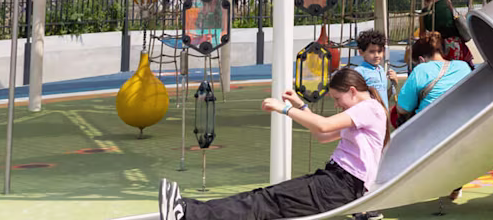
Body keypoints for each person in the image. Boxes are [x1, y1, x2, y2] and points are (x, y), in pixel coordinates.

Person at [161, 67, 387, 220]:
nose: (337, 105)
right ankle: (189, 209)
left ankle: (187, 213)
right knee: (263, 198)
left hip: (341, 185)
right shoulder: (362, 112)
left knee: (263, 202)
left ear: (353, 91)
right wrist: (301, 108)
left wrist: (285, 109)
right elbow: (323, 136)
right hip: (334, 181)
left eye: (337, 99)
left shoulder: (369, 109)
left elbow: (324, 126)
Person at [395, 31, 472, 211]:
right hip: (463, 127)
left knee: (397, 117)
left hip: (429, 132)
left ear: (421, 58)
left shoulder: (421, 70)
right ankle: (455, 183)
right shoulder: (463, 67)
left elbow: (402, 109)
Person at [416, 0, 473, 65]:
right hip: (455, 43)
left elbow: (422, 35)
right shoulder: (446, 1)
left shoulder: (424, 13)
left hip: (438, 46)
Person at [349, 29, 393, 98]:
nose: (376, 55)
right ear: (361, 52)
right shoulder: (359, 72)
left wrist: (394, 84)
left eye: (379, 51)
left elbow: (384, 98)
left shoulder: (381, 70)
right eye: (372, 52)